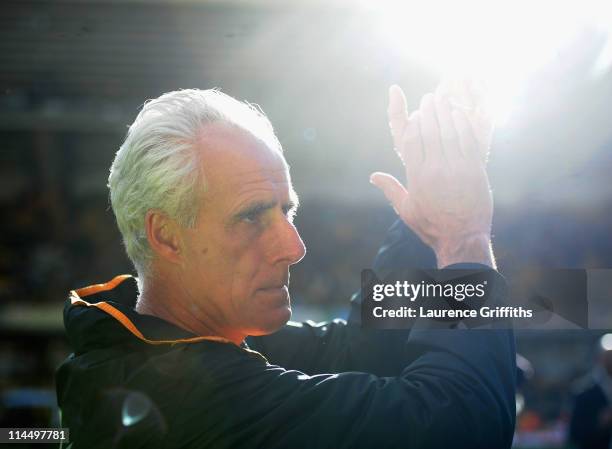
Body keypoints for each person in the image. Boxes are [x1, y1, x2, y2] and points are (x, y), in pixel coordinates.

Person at [56, 82, 516, 448]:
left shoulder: (167, 343)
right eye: (252, 216)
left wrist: (424, 229)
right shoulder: (180, 396)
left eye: (286, 211)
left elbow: (361, 351)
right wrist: (464, 239)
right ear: (167, 235)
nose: (294, 247)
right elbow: (461, 424)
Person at [569, 337, 612, 449]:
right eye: (609, 356)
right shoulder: (584, 390)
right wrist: (600, 423)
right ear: (600, 358)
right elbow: (576, 434)